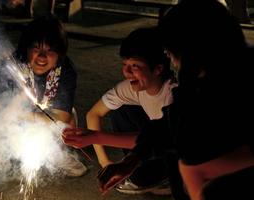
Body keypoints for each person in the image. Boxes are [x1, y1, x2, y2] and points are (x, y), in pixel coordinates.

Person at [96, 0, 254, 200]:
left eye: (171, 53)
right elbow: (171, 122)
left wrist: (202, 170)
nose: (172, 61)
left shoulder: (239, 79)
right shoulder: (200, 79)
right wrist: (133, 159)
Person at [63, 27, 177, 195]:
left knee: (140, 177)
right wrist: (105, 163)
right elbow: (94, 114)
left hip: (179, 148)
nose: (127, 72)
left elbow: (161, 137)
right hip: (153, 143)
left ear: (158, 68)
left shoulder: (173, 93)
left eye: (135, 66)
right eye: (125, 64)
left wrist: (94, 137)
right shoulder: (133, 87)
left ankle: (169, 179)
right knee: (120, 109)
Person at [0, 15, 87, 183]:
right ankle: (0, 154)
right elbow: (4, 98)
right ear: (26, 48)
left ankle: (58, 153)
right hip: (18, 117)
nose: (42, 57)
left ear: (59, 54)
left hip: (44, 115)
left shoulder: (65, 70)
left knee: (68, 120)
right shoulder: (12, 64)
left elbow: (61, 117)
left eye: (50, 51)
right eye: (36, 48)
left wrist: (21, 114)